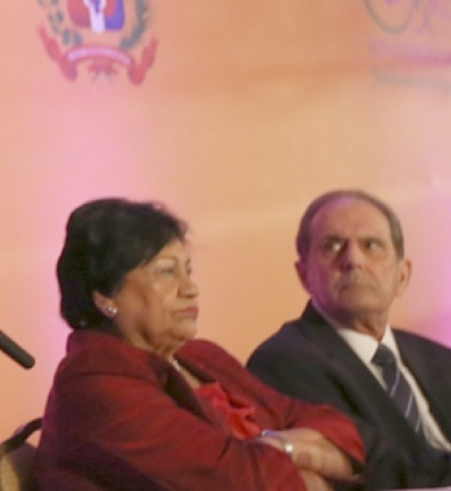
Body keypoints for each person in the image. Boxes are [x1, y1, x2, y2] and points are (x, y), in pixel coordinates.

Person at [37, 198, 364, 491]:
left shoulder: (201, 356)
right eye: (167, 272)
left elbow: (337, 428)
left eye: (188, 270)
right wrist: (317, 470)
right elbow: (245, 482)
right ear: (105, 297)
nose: (190, 288)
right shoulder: (95, 386)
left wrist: (286, 449)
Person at [249, 190, 451, 489]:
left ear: (402, 275)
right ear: (304, 274)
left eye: (371, 245)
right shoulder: (284, 362)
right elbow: (378, 469)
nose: (354, 260)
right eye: (332, 246)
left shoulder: (438, 357)